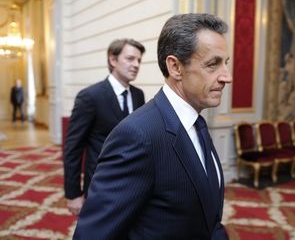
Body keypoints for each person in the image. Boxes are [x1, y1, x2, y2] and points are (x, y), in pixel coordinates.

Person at [74, 13, 232, 239]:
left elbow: (207, 215)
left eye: (225, 63)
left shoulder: (197, 123)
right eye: (212, 64)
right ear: (175, 67)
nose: (227, 76)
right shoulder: (137, 136)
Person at [63, 38, 146, 215]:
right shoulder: (89, 96)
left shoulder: (139, 95)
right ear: (113, 60)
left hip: (134, 183)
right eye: (130, 59)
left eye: (139, 60)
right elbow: (73, 148)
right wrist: (73, 194)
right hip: (101, 184)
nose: (136, 65)